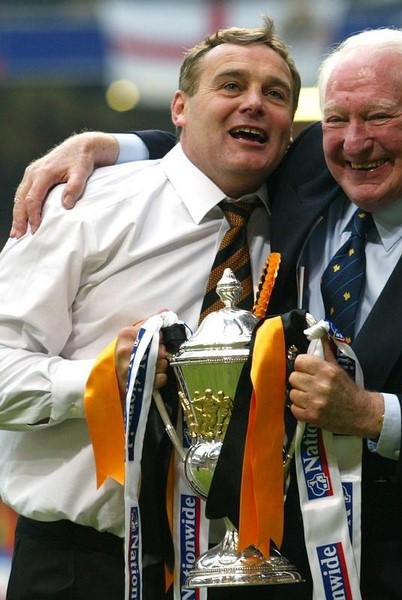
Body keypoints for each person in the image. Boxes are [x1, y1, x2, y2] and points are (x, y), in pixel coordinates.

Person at [10, 28, 402, 600]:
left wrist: (368, 413)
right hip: (88, 557)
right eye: (337, 119)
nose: (356, 141)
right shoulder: (82, 208)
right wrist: (105, 143)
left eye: (380, 116)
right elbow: (212, 143)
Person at [0, 17, 300, 600]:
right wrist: (94, 380)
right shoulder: (79, 206)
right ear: (180, 108)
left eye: (276, 94)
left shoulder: (303, 220)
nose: (255, 104)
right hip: (84, 565)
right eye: (232, 86)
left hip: (243, 568)